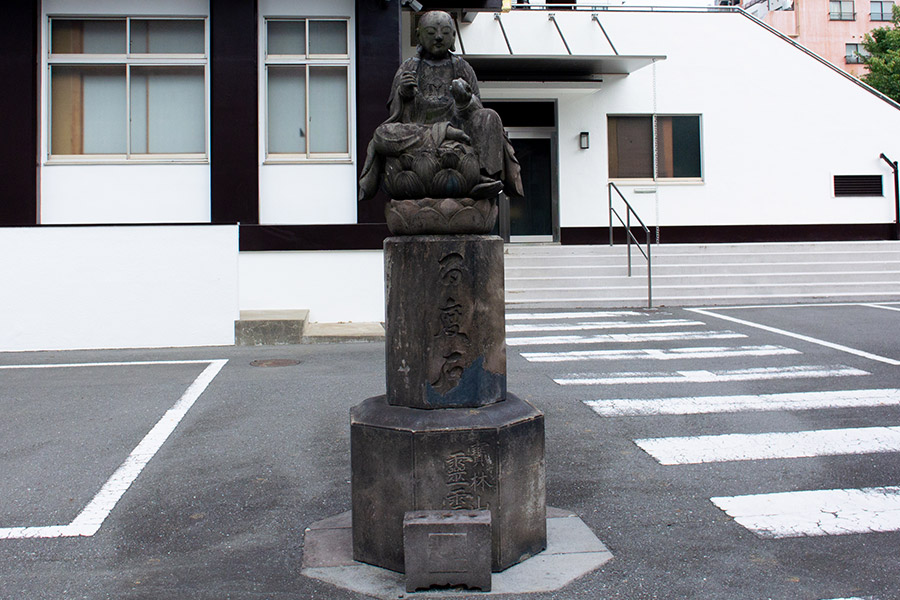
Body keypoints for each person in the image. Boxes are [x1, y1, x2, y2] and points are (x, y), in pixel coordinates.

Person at [358, 10, 522, 202]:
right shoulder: (409, 68)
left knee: (490, 116)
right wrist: (404, 94)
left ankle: (483, 175)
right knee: (382, 134)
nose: (438, 37)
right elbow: (396, 115)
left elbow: (478, 115)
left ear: (453, 36)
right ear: (419, 35)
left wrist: (465, 101)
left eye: (445, 32)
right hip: (422, 139)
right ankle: (444, 134)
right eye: (430, 32)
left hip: (460, 138)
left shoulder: (462, 68)